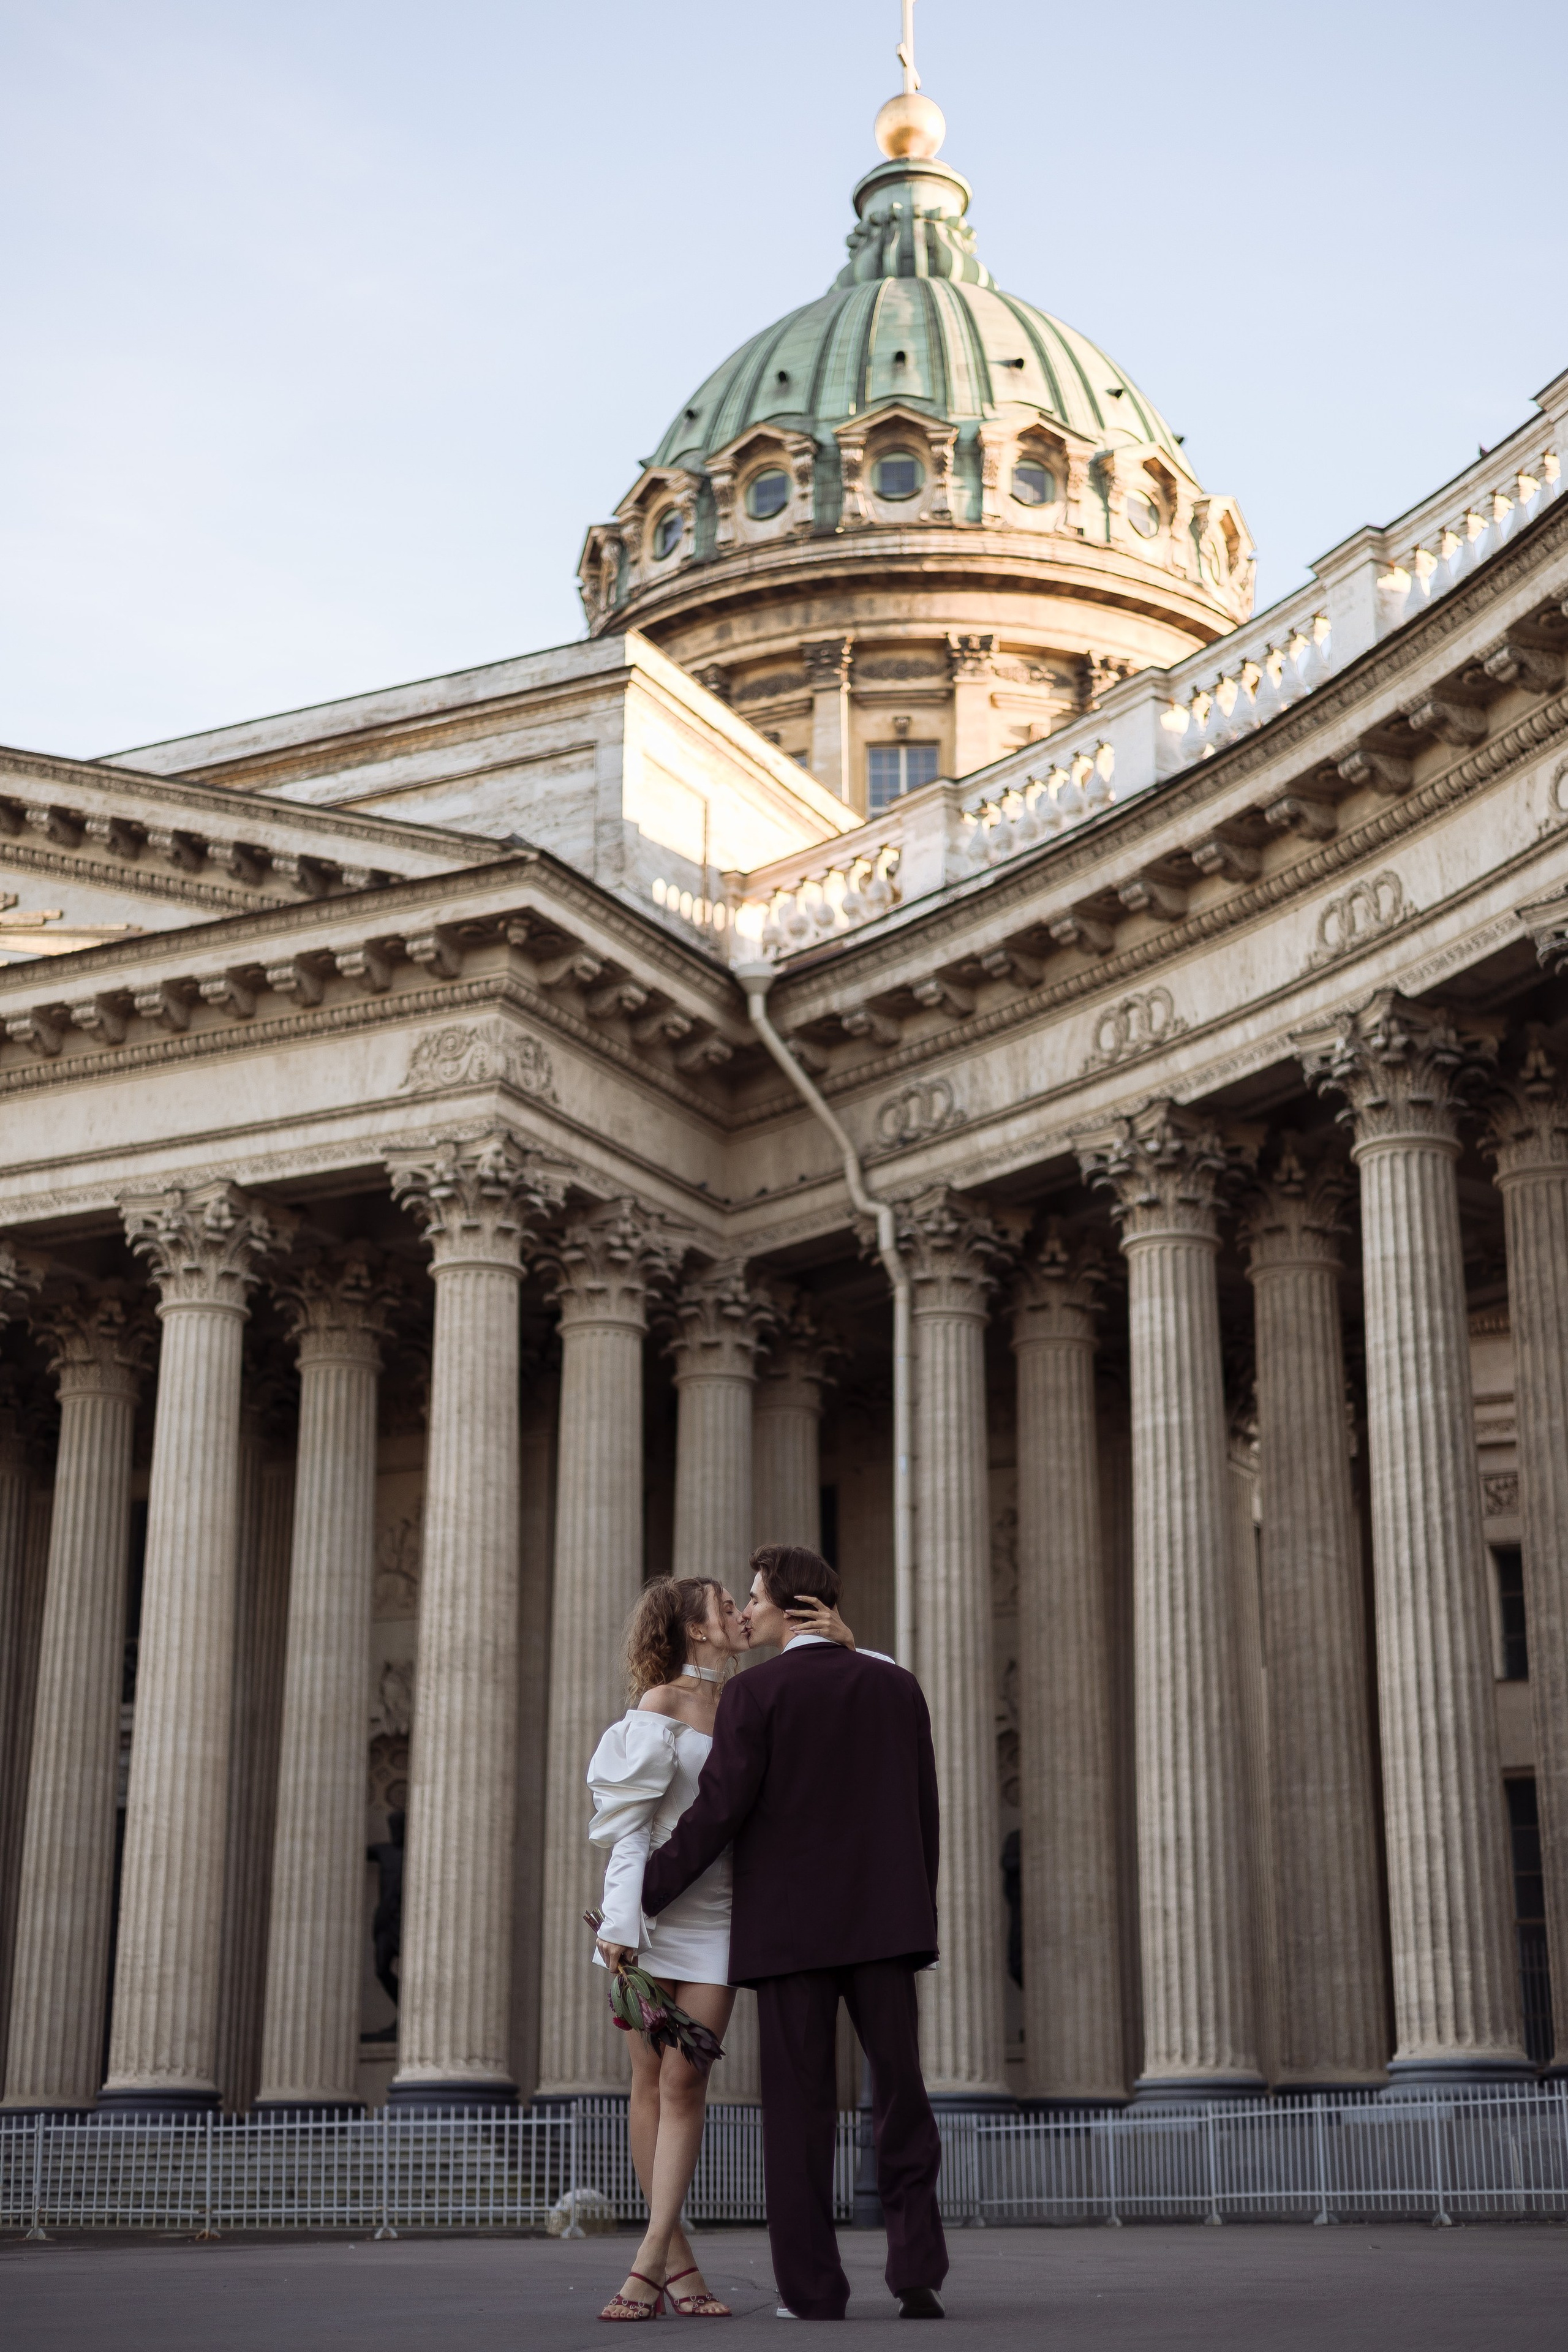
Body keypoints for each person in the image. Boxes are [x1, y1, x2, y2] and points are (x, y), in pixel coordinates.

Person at [642, 1544, 947, 2324]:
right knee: (902, 2098)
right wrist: (917, 1909)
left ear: (789, 1608)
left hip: (788, 1936)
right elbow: (924, 1814)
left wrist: (641, 1894)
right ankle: (917, 2267)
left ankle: (813, 2292)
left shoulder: (758, 1695)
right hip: (884, 1925)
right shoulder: (894, 1683)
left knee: (798, 2115)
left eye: (754, 1596)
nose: (745, 1609)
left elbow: (718, 1813)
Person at [586, 1574, 854, 2322]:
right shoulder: (660, 1705)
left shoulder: (751, 1702)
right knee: (647, 2086)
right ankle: (675, 2264)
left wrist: (845, 1646)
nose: (742, 1614)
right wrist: (620, 1924)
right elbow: (631, 1828)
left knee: (686, 2084)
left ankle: (645, 2263)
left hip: (720, 1922)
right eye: (727, 1607)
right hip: (649, 1916)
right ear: (696, 1630)